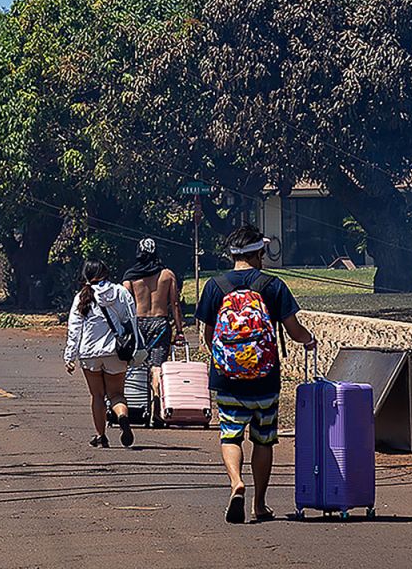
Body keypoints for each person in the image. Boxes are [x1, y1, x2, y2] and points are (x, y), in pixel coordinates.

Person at [196, 224, 317, 524]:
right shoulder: (272, 286)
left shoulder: (215, 286)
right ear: (259, 253)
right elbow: (293, 329)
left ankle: (237, 482)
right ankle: (259, 505)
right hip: (265, 378)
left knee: (231, 435)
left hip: (227, 379)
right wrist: (309, 340)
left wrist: (227, 359)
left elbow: (208, 335)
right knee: (263, 440)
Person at [65, 259, 140, 448]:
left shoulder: (82, 297)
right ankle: (122, 416)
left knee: (97, 395)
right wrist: (137, 345)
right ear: (106, 272)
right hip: (115, 351)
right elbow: (131, 320)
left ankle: (100, 435)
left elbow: (75, 329)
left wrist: (70, 356)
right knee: (116, 394)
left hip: (89, 353)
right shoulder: (121, 293)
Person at [122, 238, 186, 407]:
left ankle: (138, 402)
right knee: (157, 365)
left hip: (139, 324)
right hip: (160, 324)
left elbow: (125, 305)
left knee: (137, 364)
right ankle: (156, 396)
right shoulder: (167, 275)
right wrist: (179, 331)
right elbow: (175, 304)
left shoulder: (130, 277)